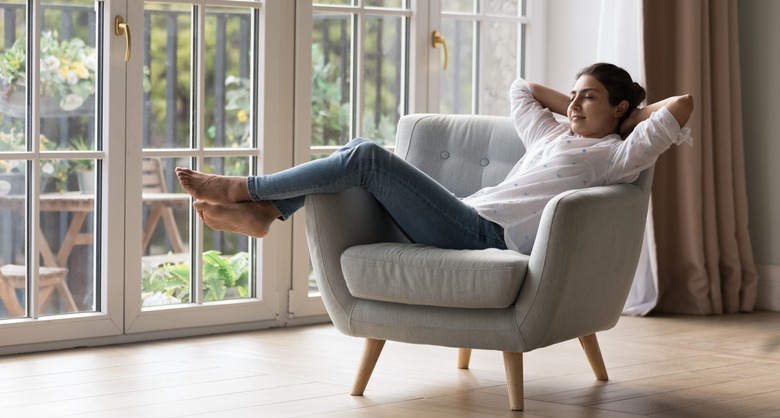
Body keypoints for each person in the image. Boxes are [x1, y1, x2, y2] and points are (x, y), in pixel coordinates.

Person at [176, 62, 694, 255]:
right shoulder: (550, 137)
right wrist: (581, 105)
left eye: (590, 98)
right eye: (575, 95)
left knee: (369, 157)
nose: (575, 104)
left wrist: (628, 118)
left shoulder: (617, 155)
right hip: (464, 213)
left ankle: (248, 192)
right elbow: (522, 88)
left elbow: (682, 106)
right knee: (359, 152)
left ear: (622, 109)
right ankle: (266, 212)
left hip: (486, 234)